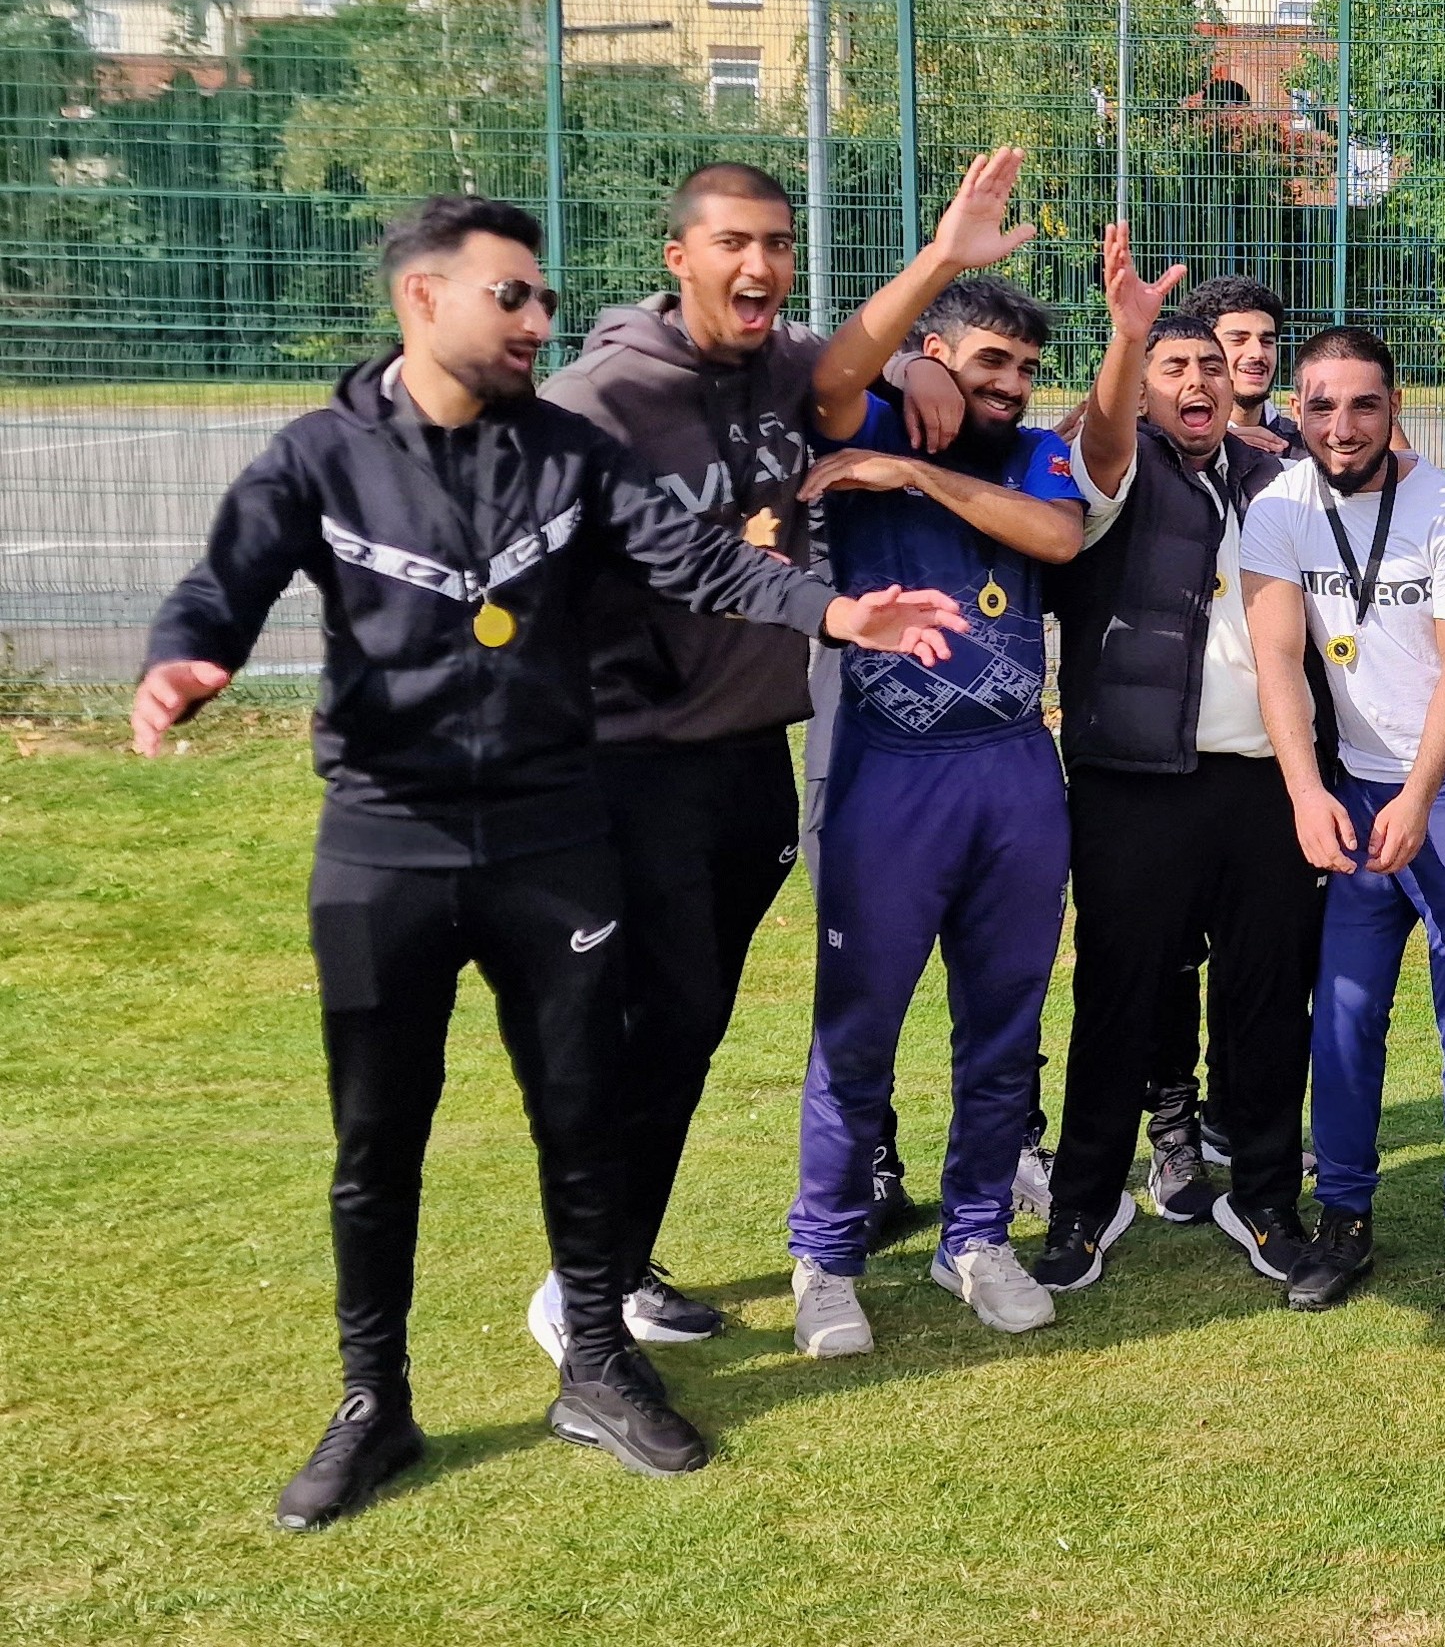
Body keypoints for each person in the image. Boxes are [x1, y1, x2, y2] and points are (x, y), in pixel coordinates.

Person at [131, 194, 961, 1531]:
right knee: (375, 1137)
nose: (534, 319)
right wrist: (188, 655)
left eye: (539, 299)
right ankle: (371, 1404)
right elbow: (225, 577)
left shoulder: (571, 452)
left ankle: (593, 1359)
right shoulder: (318, 456)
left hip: (549, 830)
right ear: (422, 301)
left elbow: (696, 555)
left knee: (583, 1110)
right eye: (508, 297)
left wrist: (834, 608)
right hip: (382, 843)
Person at [526, 162, 855, 1361]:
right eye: (732, 242)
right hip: (634, 760)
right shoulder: (599, 395)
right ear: (680, 255)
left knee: (694, 1020)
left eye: (775, 241)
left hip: (748, 754)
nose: (759, 264)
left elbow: (855, 357)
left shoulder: (779, 366)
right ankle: (579, 1287)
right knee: (646, 1023)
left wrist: (921, 344)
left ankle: (619, 1258)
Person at [784, 148, 1090, 1348]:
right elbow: (831, 375)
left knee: (1003, 1018)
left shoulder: (1022, 454)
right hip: (888, 774)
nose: (1010, 383)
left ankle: (975, 1235)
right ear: (939, 352)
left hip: (1015, 766)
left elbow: (1058, 539)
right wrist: (914, 345)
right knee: (857, 1019)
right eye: (987, 360)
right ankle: (823, 1256)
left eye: (1024, 366)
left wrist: (916, 470)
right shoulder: (863, 412)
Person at [1034, 228, 1324, 1291]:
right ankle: (1083, 1201)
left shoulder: (1275, 475)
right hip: (1133, 782)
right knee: (1119, 993)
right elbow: (1105, 435)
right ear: (1144, 385)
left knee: (1264, 994)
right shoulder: (1110, 462)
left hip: (1262, 784)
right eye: (1174, 365)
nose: (1196, 380)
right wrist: (1126, 337)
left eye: (1211, 365)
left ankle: (1264, 1194)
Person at [1241, 325, 1445, 1338]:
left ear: (1393, 403)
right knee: (1344, 1019)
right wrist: (1306, 788)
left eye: (1361, 403)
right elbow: (1278, 658)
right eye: (1320, 404)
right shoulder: (1277, 507)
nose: (1340, 425)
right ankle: (1346, 1216)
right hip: (1352, 798)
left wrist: (1417, 792)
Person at [1186, 273, 1301, 453]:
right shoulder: (1166, 450)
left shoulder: (1305, 454)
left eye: (1267, 341)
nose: (1258, 353)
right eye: (1238, 340)